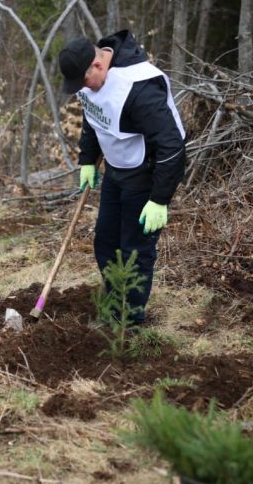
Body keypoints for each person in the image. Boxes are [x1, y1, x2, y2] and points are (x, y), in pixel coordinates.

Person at [57, 30, 186, 326]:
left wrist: (159, 199)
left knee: (134, 250)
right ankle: (115, 304)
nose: (83, 88)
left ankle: (129, 320)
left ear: (98, 66)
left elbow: (171, 145)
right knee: (105, 242)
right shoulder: (90, 79)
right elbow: (93, 118)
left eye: (84, 81)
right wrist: (87, 160)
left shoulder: (139, 88)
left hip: (145, 173)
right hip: (116, 170)